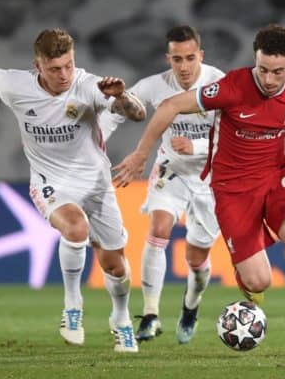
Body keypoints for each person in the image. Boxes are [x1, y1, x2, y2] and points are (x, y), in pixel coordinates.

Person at [113, 24, 285, 356]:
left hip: (274, 178)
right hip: (231, 189)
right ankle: (245, 278)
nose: (268, 80)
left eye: (278, 72)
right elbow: (169, 106)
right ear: (255, 61)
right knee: (259, 282)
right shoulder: (231, 87)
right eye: (263, 69)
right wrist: (140, 154)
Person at [0, 28, 146, 352]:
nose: (64, 74)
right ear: (37, 66)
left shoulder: (89, 86)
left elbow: (138, 115)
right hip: (50, 182)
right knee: (75, 228)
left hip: (96, 184)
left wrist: (120, 96)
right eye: (55, 68)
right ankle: (73, 306)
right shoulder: (16, 84)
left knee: (115, 265)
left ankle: (121, 319)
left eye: (69, 65)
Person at [99, 25, 224, 344]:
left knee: (197, 261)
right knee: (159, 229)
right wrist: (98, 140)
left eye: (190, 58)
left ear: (201, 56)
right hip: (171, 170)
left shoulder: (219, 84)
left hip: (212, 177)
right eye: (177, 59)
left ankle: (190, 307)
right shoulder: (155, 85)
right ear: (168, 58)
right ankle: (151, 315)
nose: (184, 67)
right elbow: (119, 111)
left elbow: (235, 138)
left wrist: (196, 147)